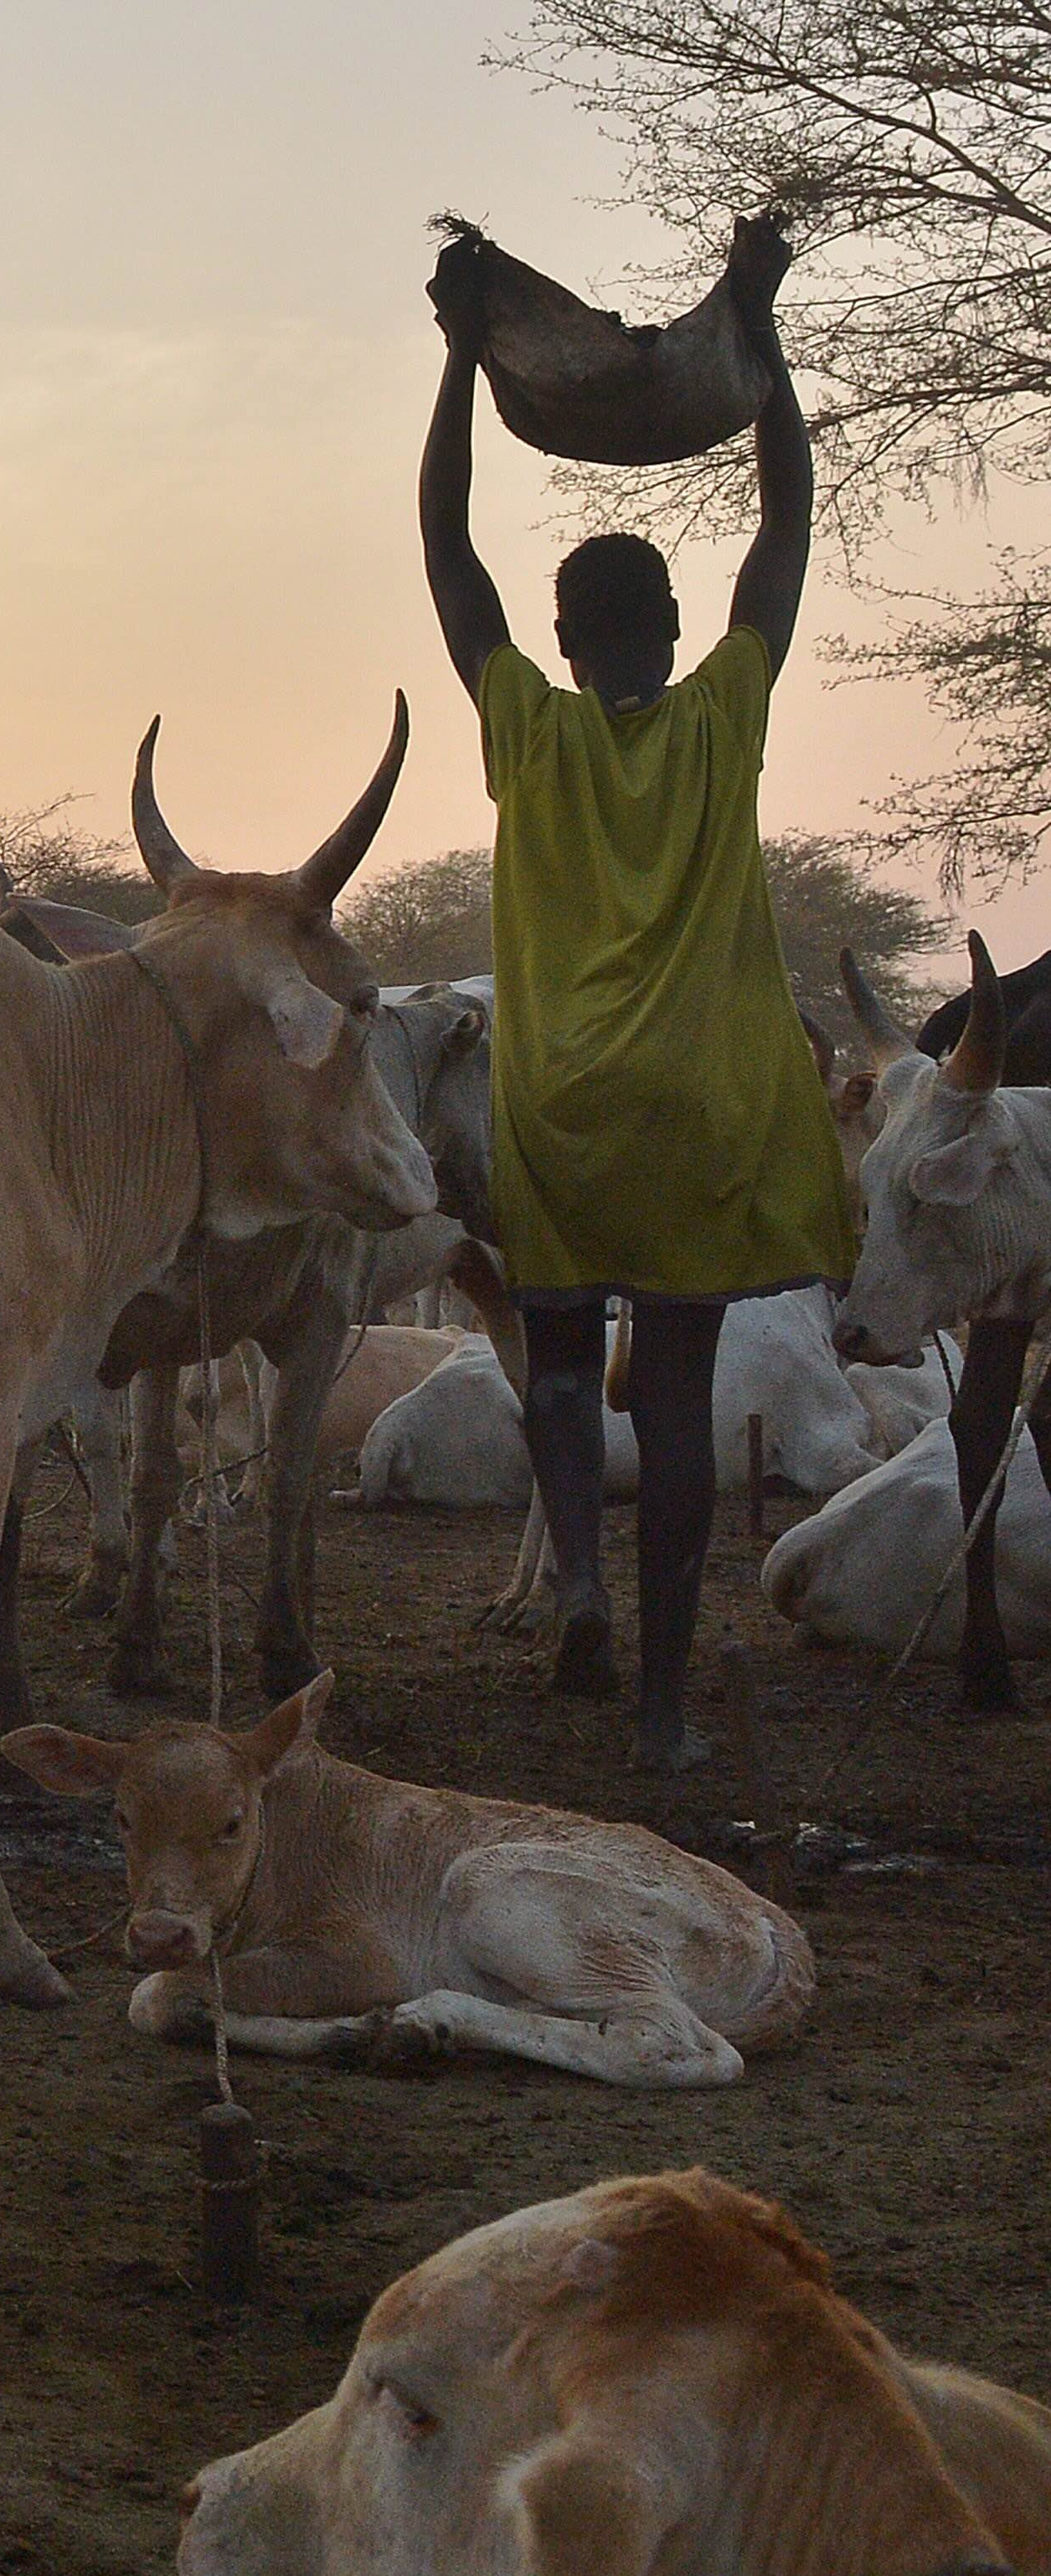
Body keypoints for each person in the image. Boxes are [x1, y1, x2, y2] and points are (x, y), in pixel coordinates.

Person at [420, 240, 847, 1771]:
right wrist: (762, 340)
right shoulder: (724, 712)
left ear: (556, 637)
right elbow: (784, 531)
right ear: (668, 634)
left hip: (555, 1104)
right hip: (695, 1110)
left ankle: (576, 1583)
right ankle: (665, 1704)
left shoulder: (521, 726)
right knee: (670, 1401)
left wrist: (462, 364)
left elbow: (446, 556)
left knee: (550, 1357)